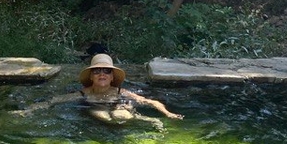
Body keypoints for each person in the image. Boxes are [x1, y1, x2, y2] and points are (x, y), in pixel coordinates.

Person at [15, 53, 183, 129]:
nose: (102, 73)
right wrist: (28, 110)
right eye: (97, 71)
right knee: (105, 117)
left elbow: (150, 101)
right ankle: (143, 120)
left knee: (120, 116)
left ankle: (149, 120)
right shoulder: (83, 94)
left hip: (119, 106)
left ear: (111, 77)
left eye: (107, 71)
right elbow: (53, 101)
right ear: (91, 77)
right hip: (95, 107)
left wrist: (167, 114)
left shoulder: (121, 92)